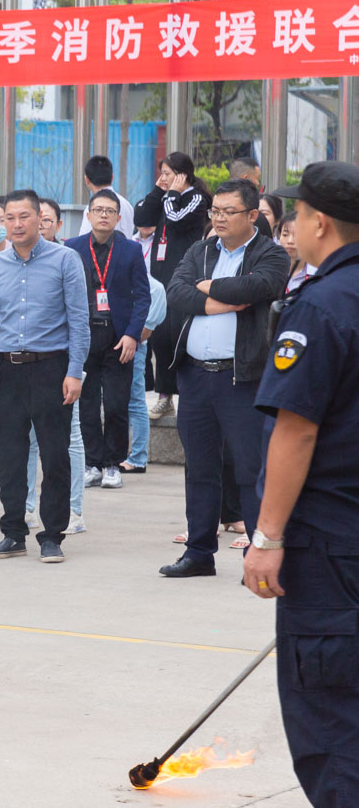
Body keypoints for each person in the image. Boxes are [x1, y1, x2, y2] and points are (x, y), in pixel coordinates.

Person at [242, 160, 359, 808]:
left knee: (330, 702)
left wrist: (267, 536)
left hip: (330, 540)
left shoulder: (323, 304)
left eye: (295, 216)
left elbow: (297, 428)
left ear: (318, 222)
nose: (289, 227)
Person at [158, 179, 287, 578]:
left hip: (242, 378)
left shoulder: (272, 254)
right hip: (196, 377)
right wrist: (222, 300)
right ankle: (199, 552)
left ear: (252, 215)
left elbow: (260, 286)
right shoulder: (199, 250)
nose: (219, 218)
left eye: (228, 211)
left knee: (250, 470)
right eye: (215, 210)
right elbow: (176, 292)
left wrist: (208, 290)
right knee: (199, 468)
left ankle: (258, 553)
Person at [0, 189, 89, 564]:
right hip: (5, 369)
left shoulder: (65, 260)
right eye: (10, 218)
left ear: (41, 218)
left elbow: (79, 322)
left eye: (24, 216)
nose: (17, 224)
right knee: (10, 457)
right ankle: (13, 532)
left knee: (55, 455)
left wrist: (74, 372)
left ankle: (52, 535)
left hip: (51, 368)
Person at [65, 190, 150, 492]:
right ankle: (92, 463)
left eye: (110, 211)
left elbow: (142, 297)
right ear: (88, 215)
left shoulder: (130, 250)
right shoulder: (71, 248)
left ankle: (113, 464)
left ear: (118, 217)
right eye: (98, 210)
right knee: (86, 403)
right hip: (83, 336)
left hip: (118, 337)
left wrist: (132, 335)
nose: (103, 215)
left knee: (116, 404)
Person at [135, 151, 211, 418]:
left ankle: (188, 394)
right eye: (161, 173)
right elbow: (142, 217)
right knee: (160, 336)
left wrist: (172, 194)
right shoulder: (166, 196)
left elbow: (177, 220)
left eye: (167, 173)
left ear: (182, 175)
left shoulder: (196, 199)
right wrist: (160, 190)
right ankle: (164, 395)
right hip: (159, 276)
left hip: (184, 276)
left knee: (180, 334)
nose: (162, 178)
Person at [122, 274, 166, 475]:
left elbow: (148, 328)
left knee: (135, 401)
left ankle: (138, 458)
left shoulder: (152, 286)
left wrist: (133, 336)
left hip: (134, 346)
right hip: (113, 344)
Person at [75, 155, 136, 238]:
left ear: (86, 180)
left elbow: (84, 240)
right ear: (112, 177)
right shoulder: (127, 205)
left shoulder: (93, 208)